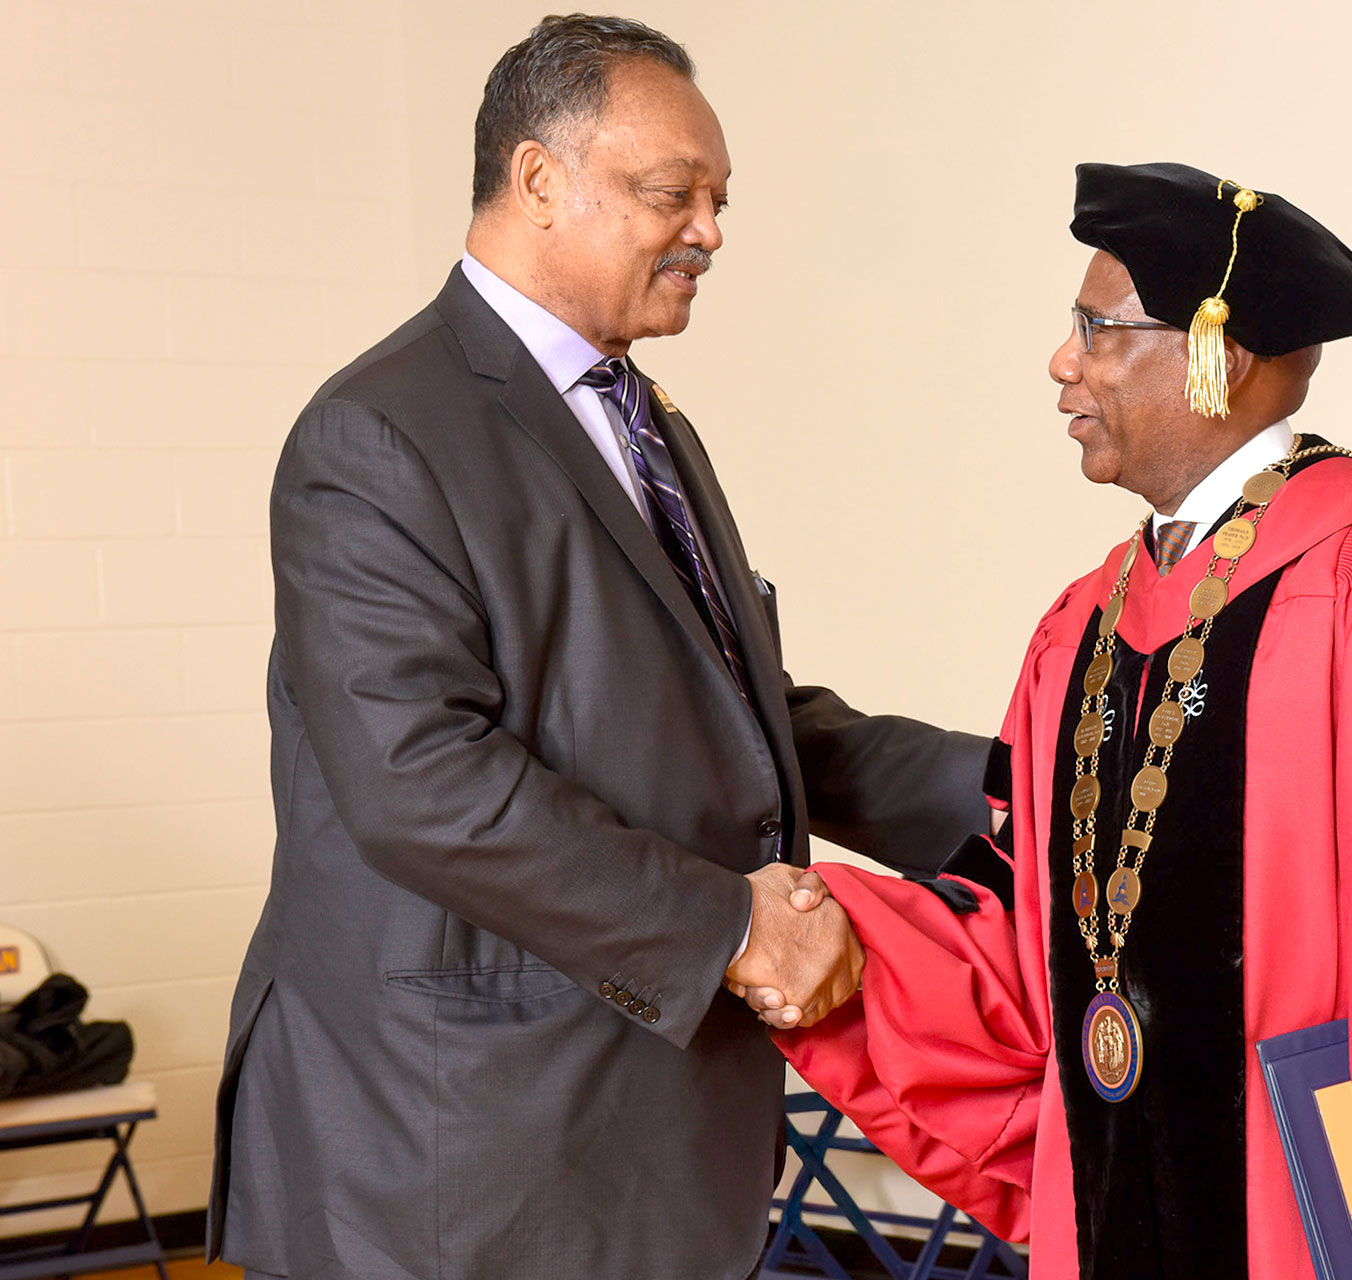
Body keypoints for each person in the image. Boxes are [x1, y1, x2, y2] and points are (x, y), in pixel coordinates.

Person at [768, 163, 1352, 1278]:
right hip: (1122, 1182)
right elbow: (1023, 928)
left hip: (1331, 1209)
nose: (1062, 361)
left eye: (1097, 328)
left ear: (1221, 354)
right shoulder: (1084, 623)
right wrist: (812, 929)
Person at [208, 16, 986, 1280]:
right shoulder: (378, 435)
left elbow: (741, 715)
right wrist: (731, 927)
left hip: (635, 1145)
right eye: (672, 193)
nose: (711, 232)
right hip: (459, 1159)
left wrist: (1021, 793)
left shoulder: (645, 423)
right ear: (537, 181)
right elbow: (421, 783)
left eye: (719, 200)